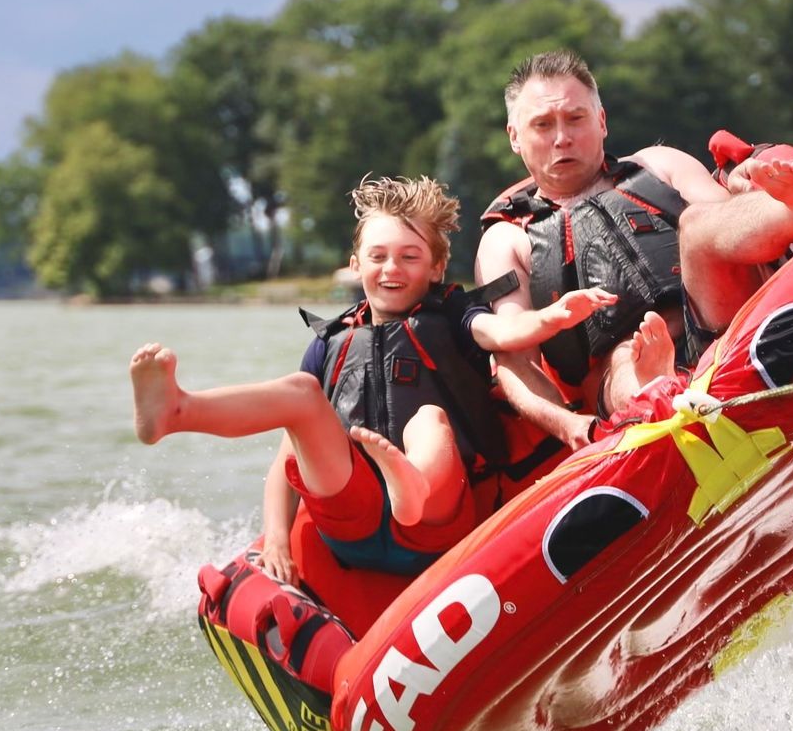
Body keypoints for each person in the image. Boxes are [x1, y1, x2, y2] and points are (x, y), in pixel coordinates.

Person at [130, 175, 615, 584]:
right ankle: (176, 411)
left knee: (429, 420)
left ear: (437, 266)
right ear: (356, 265)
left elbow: (502, 331)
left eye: (410, 257)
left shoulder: (454, 313)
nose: (392, 269)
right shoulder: (330, 340)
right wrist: (276, 538)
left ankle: (412, 485)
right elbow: (288, 454)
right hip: (352, 516)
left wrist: (551, 317)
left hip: (436, 520)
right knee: (300, 396)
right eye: (378, 256)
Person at [475, 49, 793, 445]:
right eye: (543, 125)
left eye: (575, 118)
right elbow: (512, 356)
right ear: (515, 137)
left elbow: (725, 228)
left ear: (601, 122)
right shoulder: (507, 239)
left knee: (696, 225)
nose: (562, 138)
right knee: (623, 358)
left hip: (722, 316)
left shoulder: (658, 165)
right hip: (620, 368)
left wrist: (744, 198)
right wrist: (569, 427)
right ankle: (655, 389)